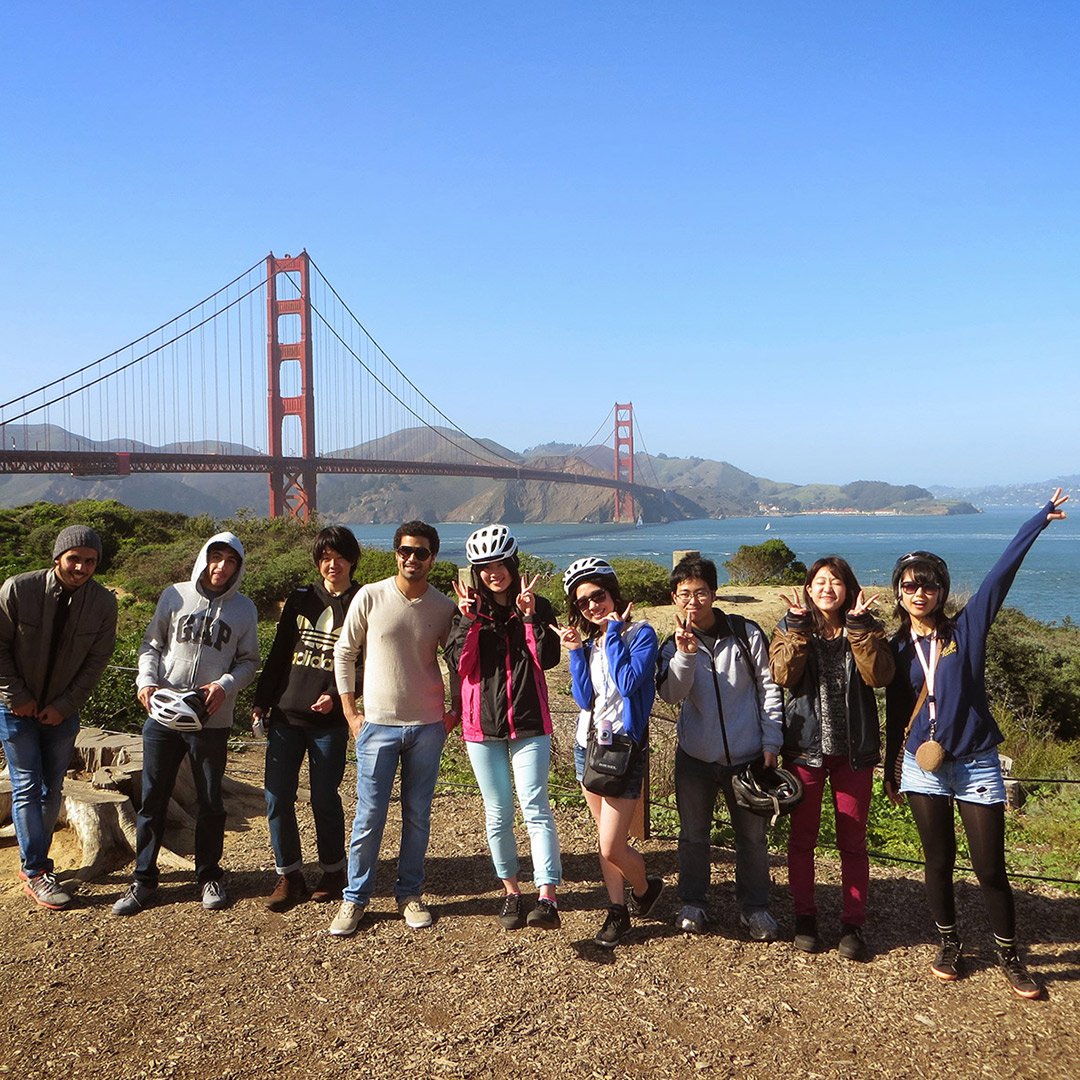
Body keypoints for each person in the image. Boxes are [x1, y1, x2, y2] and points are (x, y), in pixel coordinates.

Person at [883, 490, 1069, 999]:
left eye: (929, 585)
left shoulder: (967, 630)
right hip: (920, 765)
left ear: (942, 591)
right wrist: (889, 770)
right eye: (909, 585)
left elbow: (999, 575)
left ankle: (1010, 955)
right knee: (937, 862)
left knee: (989, 868)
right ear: (898, 593)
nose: (919, 593)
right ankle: (949, 945)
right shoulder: (896, 648)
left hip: (976, 763)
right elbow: (897, 714)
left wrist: (1037, 522)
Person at [113, 532, 259, 916]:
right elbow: (151, 645)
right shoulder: (173, 595)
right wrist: (146, 681)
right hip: (163, 712)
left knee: (211, 800)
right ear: (203, 558)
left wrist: (225, 686)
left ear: (238, 567)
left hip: (211, 718)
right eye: (216, 557)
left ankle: (209, 875)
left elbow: (249, 661)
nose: (222, 567)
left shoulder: (244, 609)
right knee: (153, 796)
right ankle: (143, 879)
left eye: (231, 561)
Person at [328, 521, 457, 937]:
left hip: (427, 727)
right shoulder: (370, 595)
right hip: (377, 725)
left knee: (418, 815)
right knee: (368, 816)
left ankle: (410, 893)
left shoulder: (442, 606)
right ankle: (355, 899)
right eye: (405, 551)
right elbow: (344, 652)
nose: (412, 559)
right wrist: (351, 713)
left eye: (421, 552)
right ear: (395, 553)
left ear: (432, 557)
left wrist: (452, 713)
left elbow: (459, 662)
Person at [769, 557, 894, 961]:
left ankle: (852, 923)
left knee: (853, 842)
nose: (827, 588)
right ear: (808, 589)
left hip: (854, 754)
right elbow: (784, 676)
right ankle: (804, 917)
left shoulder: (868, 628)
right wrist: (799, 629)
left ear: (848, 589)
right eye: (819, 581)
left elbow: (879, 676)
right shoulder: (788, 627)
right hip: (805, 749)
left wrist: (860, 630)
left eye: (835, 581)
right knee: (802, 840)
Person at [656, 556, 783, 941]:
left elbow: (769, 687)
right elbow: (671, 695)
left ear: (713, 593)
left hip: (747, 756)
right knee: (693, 834)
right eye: (684, 595)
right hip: (695, 757)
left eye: (700, 593)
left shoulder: (745, 633)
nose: (692, 601)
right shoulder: (671, 644)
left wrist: (771, 739)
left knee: (752, 838)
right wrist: (685, 654)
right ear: (674, 598)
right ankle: (693, 903)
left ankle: (755, 908)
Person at [444, 524, 563, 930]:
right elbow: (460, 666)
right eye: (484, 566)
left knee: (535, 808)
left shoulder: (538, 606)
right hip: (482, 728)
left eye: (499, 564)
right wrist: (470, 622)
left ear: (512, 564)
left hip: (530, 722)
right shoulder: (466, 612)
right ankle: (512, 892)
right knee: (497, 813)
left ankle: (546, 897)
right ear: (475, 571)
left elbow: (546, 659)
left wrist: (529, 617)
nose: (493, 572)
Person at [0, 526, 117, 910]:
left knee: (53, 787)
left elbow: (96, 662)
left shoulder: (103, 603)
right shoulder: (19, 589)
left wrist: (65, 704)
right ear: (57, 558)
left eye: (90, 561)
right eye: (74, 559)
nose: (81, 567)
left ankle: (36, 863)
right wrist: (17, 697)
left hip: (61, 712)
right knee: (27, 785)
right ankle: (36, 869)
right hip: (15, 708)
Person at [252, 526, 362, 912]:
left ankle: (333, 870)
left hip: (328, 723)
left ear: (352, 560)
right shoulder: (300, 599)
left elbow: (364, 662)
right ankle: (290, 875)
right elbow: (281, 652)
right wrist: (261, 701)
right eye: (325, 558)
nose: (332, 564)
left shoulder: (361, 600)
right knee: (277, 797)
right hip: (285, 714)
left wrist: (336, 696)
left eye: (339, 557)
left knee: (323, 798)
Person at [557, 557, 663, 948]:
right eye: (582, 602)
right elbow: (586, 698)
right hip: (588, 745)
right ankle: (618, 910)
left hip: (625, 748)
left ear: (612, 593)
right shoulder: (592, 643)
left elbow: (629, 681)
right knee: (605, 837)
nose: (591, 606)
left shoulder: (640, 634)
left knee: (611, 845)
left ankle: (645, 887)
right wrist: (574, 653)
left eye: (597, 596)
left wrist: (615, 631)